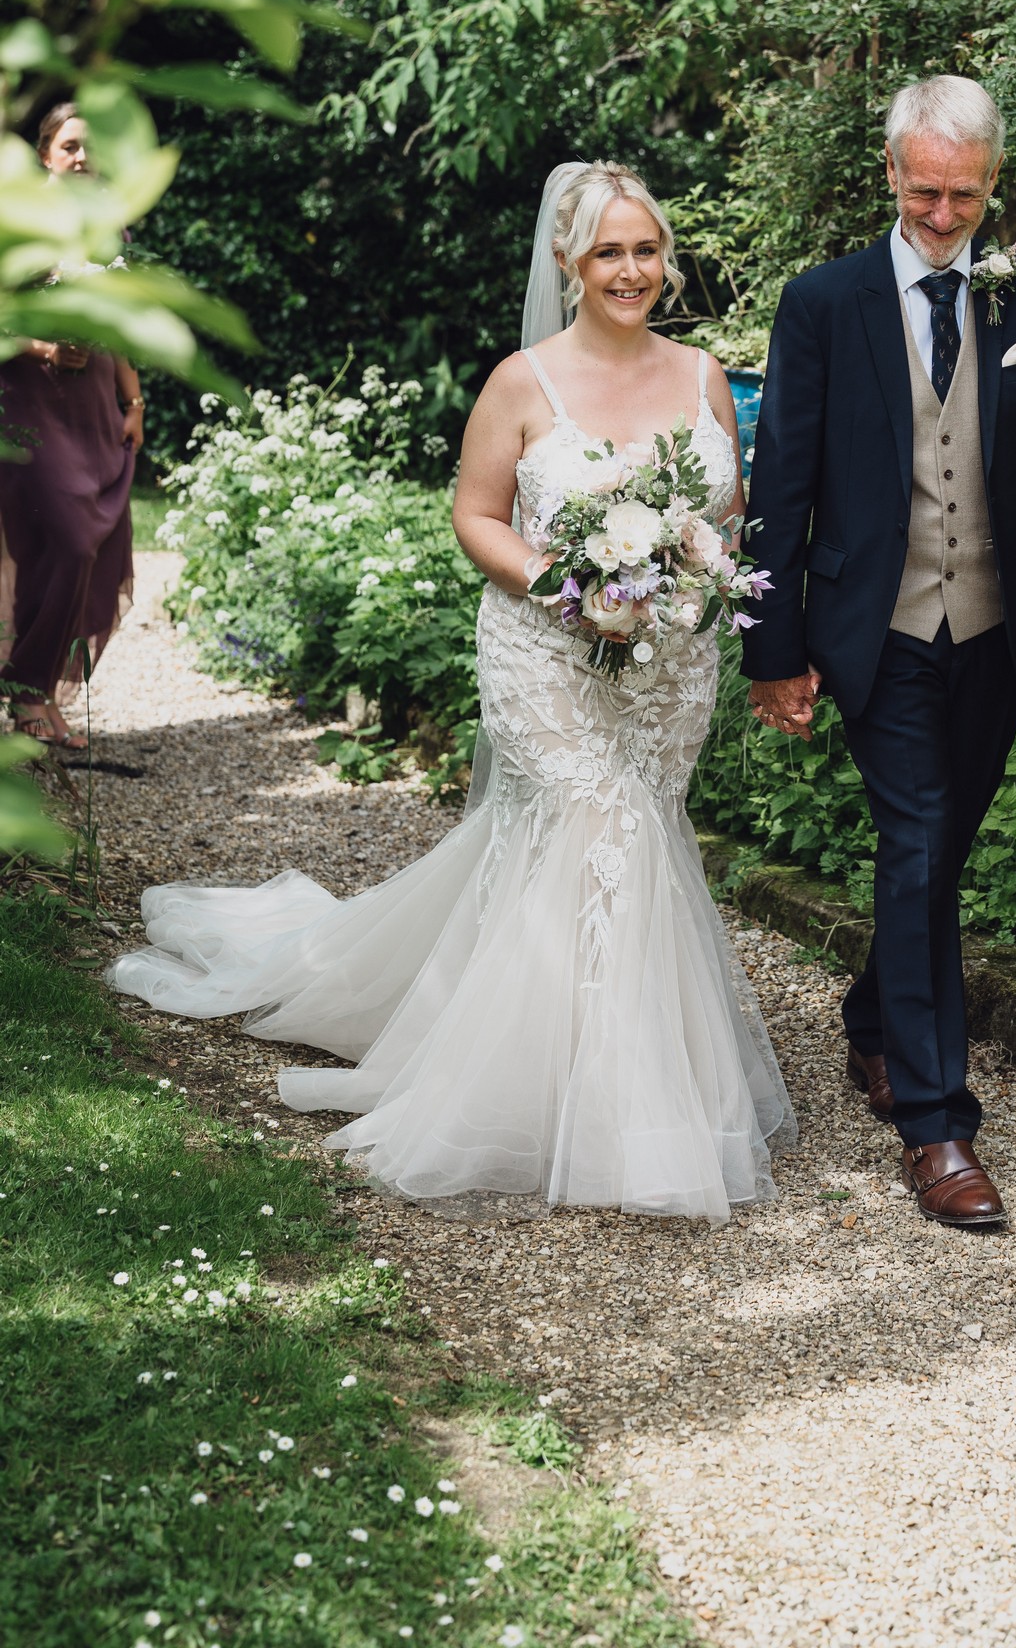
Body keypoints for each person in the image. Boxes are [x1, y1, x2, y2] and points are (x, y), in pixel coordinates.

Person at [110, 161, 795, 1222]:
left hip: (667, 664)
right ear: (567, 261)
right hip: (546, 648)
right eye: (608, 252)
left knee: (636, 830)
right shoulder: (524, 382)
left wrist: (692, 564)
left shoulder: (705, 375)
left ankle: (580, 1061)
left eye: (647, 250)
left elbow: (727, 506)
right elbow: (475, 516)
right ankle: (606, 1111)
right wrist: (569, 587)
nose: (631, 271)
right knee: (597, 825)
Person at [743, 75, 1016, 1231]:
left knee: (940, 850)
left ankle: (874, 1023)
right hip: (878, 628)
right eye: (924, 193)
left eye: (963, 195)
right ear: (892, 176)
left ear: (992, 182)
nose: (944, 216)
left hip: (997, 629)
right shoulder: (823, 303)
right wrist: (772, 648)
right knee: (914, 845)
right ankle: (936, 1125)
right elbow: (782, 483)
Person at [0, 102, 142, 749]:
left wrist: (133, 403)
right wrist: (46, 349)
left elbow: (123, 326)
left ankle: (38, 691)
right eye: (70, 146)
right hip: (31, 404)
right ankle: (26, 685)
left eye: (92, 147)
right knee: (67, 539)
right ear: (45, 155)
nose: (83, 158)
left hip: (95, 411)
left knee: (96, 549)